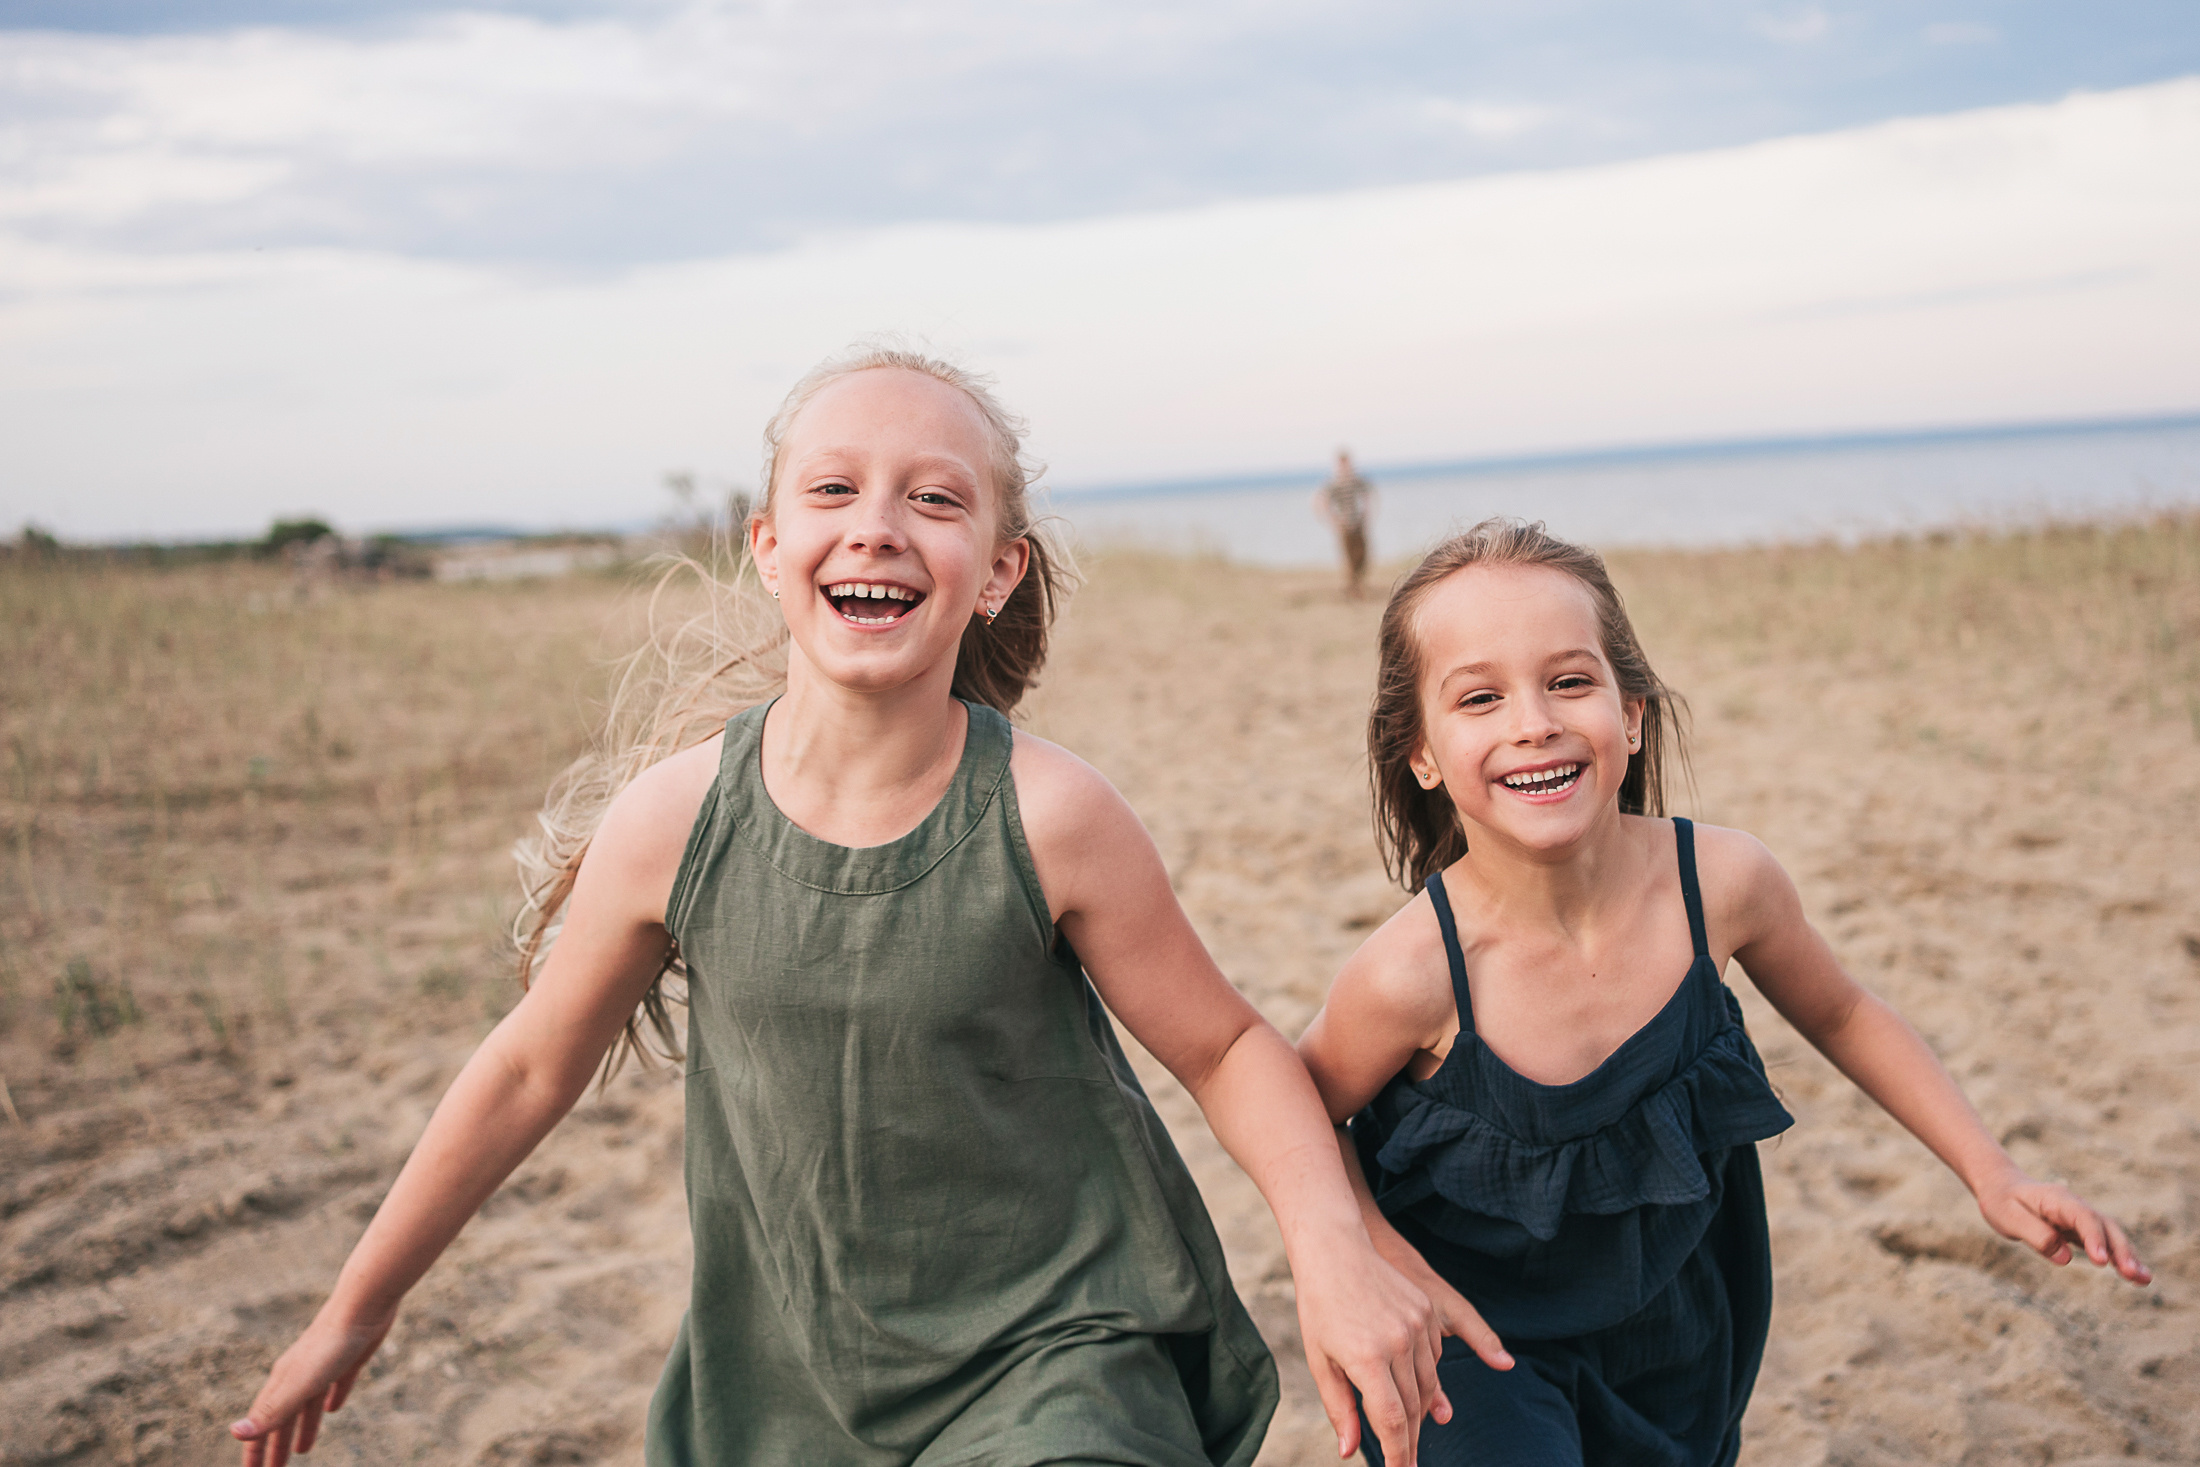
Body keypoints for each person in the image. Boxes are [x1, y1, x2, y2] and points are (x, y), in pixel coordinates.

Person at [229, 346, 1465, 1467]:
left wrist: (1330, 1251)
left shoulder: (1049, 813)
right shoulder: (672, 823)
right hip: (786, 1383)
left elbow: (1228, 1045)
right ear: (768, 548)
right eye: (834, 492)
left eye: (934, 499)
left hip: (1060, 1353)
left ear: (996, 570)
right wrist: (355, 1311)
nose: (878, 528)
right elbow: (524, 1072)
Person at [1295, 518, 2152, 1466]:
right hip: (1470, 1349)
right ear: (1420, 753)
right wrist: (1371, 1253)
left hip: (1681, 1329)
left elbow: (1844, 1012)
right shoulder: (1411, 972)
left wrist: (1994, 1172)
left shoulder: (1723, 885)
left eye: (1569, 681)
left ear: (1632, 713)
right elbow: (1296, 1113)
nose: (1532, 720)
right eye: (1481, 697)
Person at [1314, 450, 1378, 598]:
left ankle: (1357, 584)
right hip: (1344, 525)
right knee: (1350, 557)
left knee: (1362, 555)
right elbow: (1323, 501)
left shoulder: (1356, 480)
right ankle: (1354, 588)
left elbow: (1367, 494)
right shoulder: (1334, 483)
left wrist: (1365, 515)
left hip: (1358, 523)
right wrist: (1334, 520)